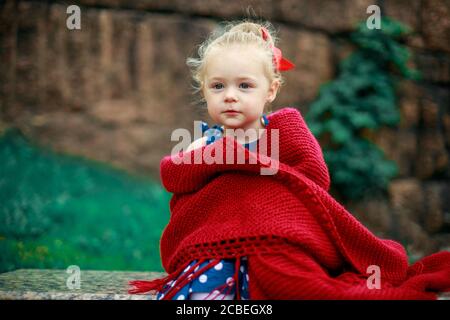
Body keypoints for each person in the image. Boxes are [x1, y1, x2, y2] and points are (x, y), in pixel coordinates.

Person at [129, 20, 450, 300]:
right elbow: (176, 176)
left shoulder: (284, 134)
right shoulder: (205, 141)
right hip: (216, 249)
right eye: (217, 86)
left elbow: (311, 183)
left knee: (293, 283)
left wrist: (255, 165)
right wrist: (215, 156)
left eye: (244, 85)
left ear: (271, 90)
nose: (230, 95)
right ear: (204, 91)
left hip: (277, 244)